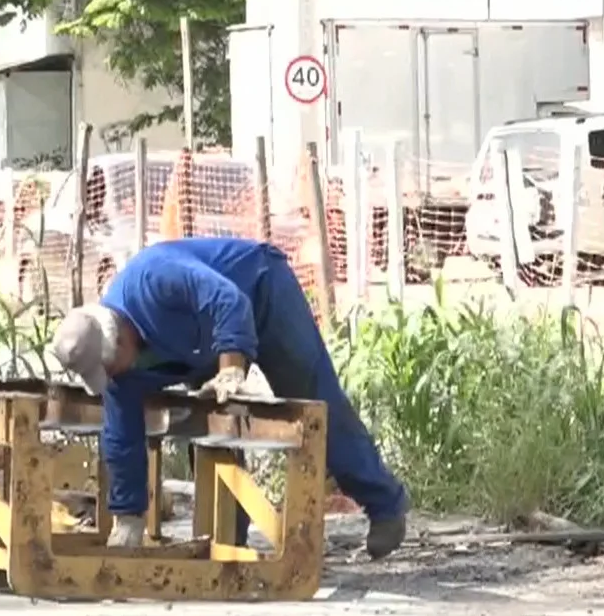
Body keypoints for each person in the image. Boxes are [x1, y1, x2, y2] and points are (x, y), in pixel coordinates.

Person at [50, 236, 408, 560]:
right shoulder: (118, 367)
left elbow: (228, 300)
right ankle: (230, 540)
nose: (111, 379)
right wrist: (127, 519)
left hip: (261, 291)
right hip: (203, 341)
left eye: (108, 369)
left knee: (315, 404)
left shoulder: (154, 277)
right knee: (211, 426)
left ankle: (385, 506)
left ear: (121, 342)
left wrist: (231, 368)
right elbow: (121, 438)